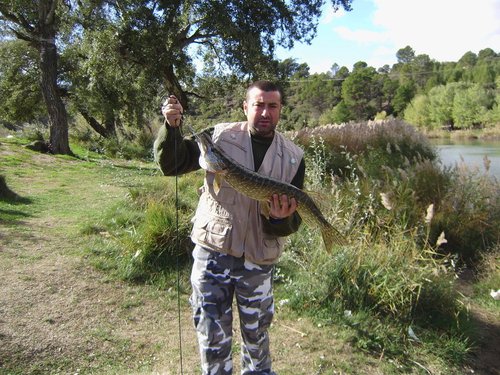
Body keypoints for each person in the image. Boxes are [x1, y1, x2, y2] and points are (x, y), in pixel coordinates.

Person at [154, 80, 305, 375]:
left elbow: (293, 221)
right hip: (213, 254)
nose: (265, 112)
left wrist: (279, 219)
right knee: (212, 336)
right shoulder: (219, 136)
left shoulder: (293, 157)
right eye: (258, 105)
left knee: (257, 339)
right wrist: (171, 127)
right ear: (245, 107)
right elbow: (172, 164)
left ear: (280, 110)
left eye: (272, 106)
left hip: (258, 261)